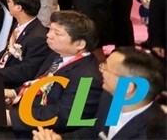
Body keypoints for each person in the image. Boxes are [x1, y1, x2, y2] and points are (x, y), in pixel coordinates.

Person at [0, 10, 103, 139]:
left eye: (57, 33)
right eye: (50, 30)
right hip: (22, 107)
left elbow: (66, 117)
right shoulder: (57, 54)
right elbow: (38, 81)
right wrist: (14, 92)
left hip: (38, 129)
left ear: (80, 44)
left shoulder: (87, 78)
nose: (49, 35)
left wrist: (13, 118)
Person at [33, 47, 166, 140]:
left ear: (127, 87)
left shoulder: (155, 132)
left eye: (106, 68)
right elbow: (93, 132)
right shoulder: (114, 99)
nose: (101, 70)